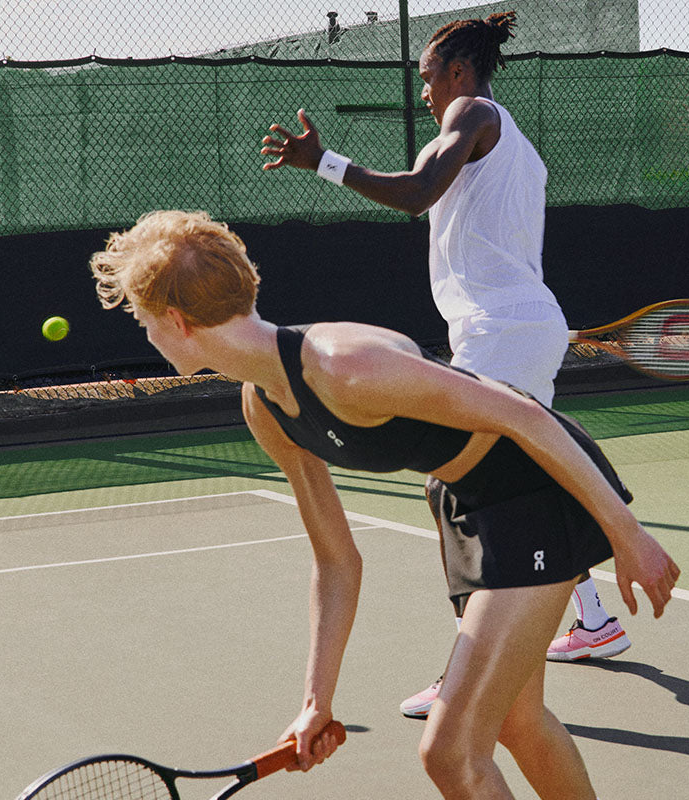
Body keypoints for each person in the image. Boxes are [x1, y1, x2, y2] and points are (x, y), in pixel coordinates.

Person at [89, 209, 680, 800]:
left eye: (143, 320)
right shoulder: (263, 407)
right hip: (467, 501)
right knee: (516, 722)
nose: (145, 332)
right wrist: (316, 703)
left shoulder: (344, 365)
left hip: (536, 487)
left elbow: (523, 414)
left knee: (450, 754)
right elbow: (337, 561)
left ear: (177, 319)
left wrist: (627, 534)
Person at [260, 11, 629, 719]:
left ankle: (467, 667)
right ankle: (590, 617)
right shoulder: (509, 138)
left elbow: (415, 192)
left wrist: (325, 163)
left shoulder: (471, 110)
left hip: (503, 330)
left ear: (459, 70)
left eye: (427, 76)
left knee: (454, 485)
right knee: (525, 472)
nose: (423, 90)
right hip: (514, 326)